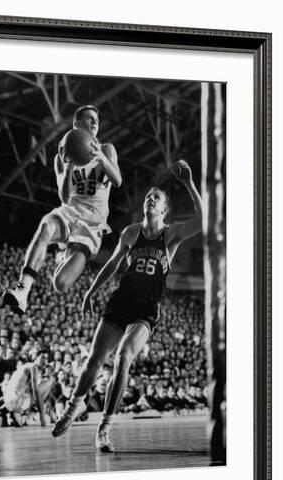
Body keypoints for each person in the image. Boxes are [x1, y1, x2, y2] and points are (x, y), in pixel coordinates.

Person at [52, 159, 203, 451]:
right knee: (94, 360)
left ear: (164, 210)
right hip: (120, 302)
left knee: (123, 358)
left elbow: (203, 220)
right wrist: (90, 292)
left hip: (146, 310)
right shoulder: (130, 232)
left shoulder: (171, 235)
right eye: (148, 195)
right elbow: (111, 265)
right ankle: (74, 406)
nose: (150, 198)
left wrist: (188, 184)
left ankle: (104, 428)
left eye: (156, 198)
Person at [3, 105, 122, 313]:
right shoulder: (62, 155)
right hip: (70, 211)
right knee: (46, 226)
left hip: (93, 223)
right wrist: (68, 169)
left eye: (97, 119)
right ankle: (23, 288)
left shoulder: (107, 149)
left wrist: (101, 159)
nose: (95, 122)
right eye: (89, 118)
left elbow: (118, 181)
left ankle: (62, 254)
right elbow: (65, 197)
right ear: (77, 124)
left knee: (61, 284)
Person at [2, 350, 53, 426]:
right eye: (42, 357)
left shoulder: (26, 366)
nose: (44, 361)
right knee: (50, 381)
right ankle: (29, 411)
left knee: (19, 424)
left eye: (46, 358)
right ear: (36, 357)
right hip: (14, 401)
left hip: (9, 400)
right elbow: (36, 392)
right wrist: (42, 418)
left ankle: (13, 413)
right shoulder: (33, 367)